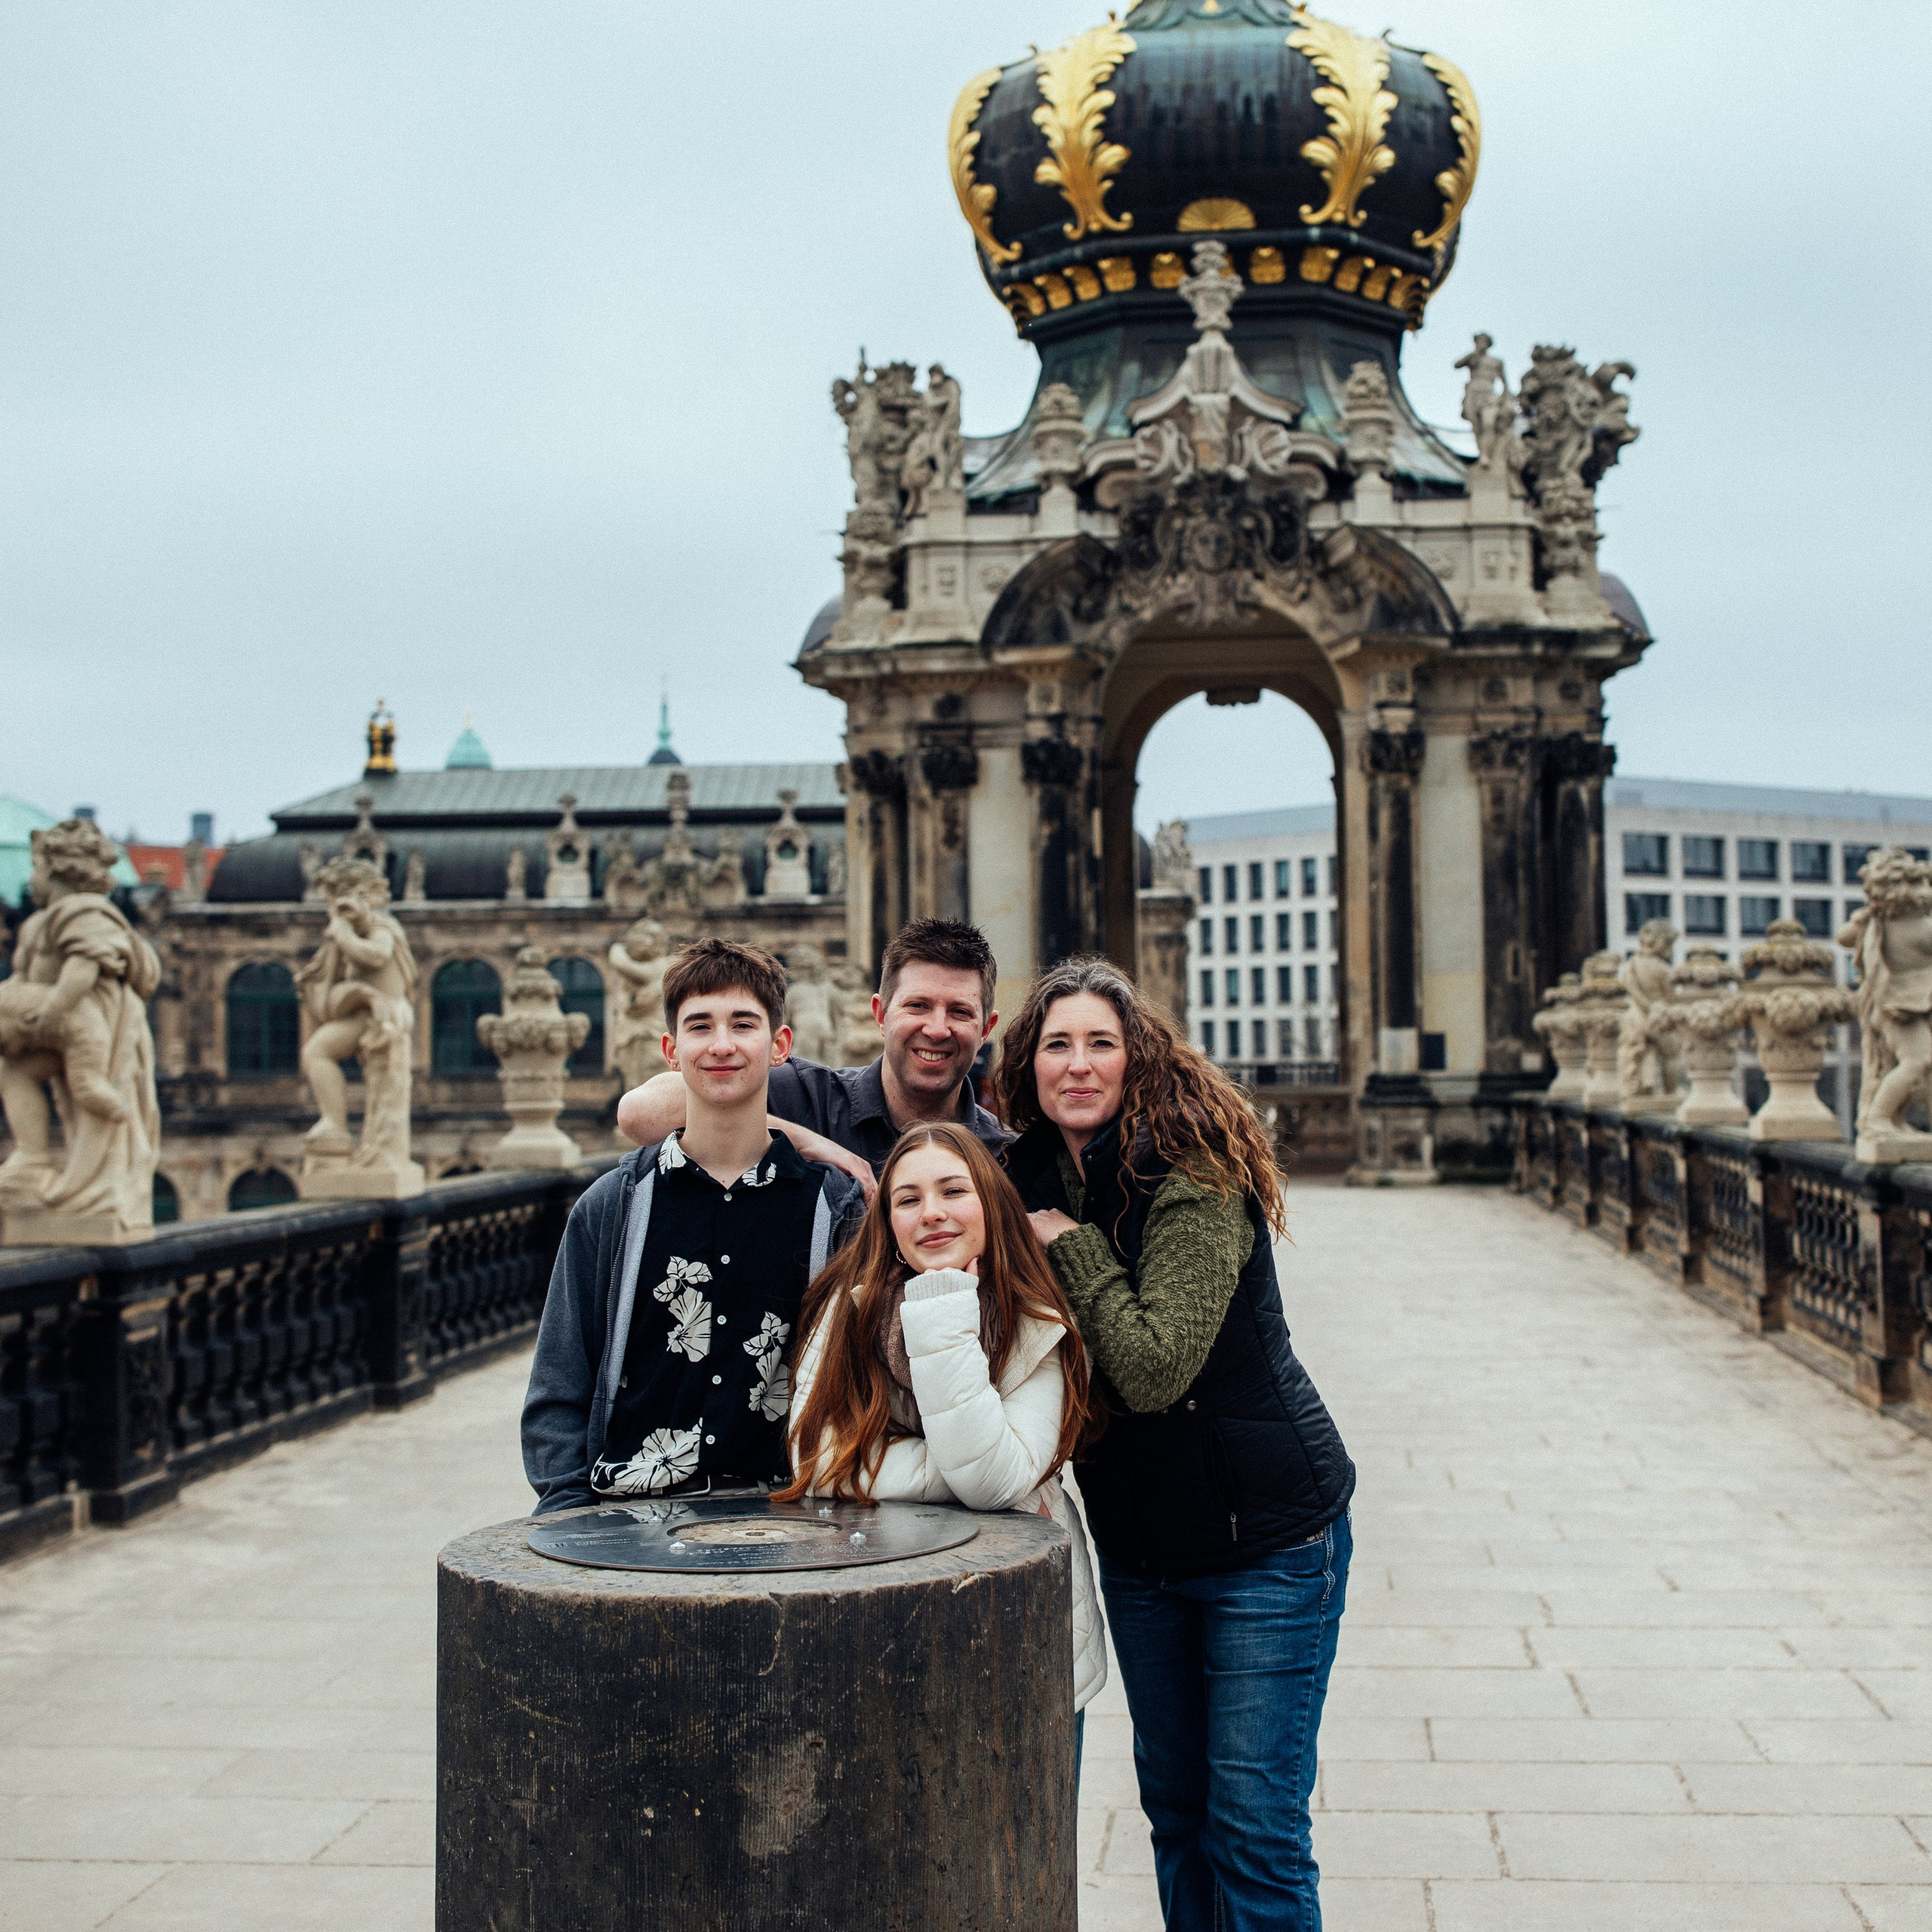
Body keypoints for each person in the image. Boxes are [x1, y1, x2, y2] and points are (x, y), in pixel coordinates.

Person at [997, 957, 1355, 1932]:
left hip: (1268, 1543)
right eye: (1056, 1045)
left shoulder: (1195, 1165)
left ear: (1138, 1057)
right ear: (1026, 1062)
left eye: (1100, 1044)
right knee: (1178, 1815)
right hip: (1144, 1549)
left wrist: (1070, 1245)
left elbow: (1156, 1368)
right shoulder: (1023, 1172)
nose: (1077, 1065)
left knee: (1254, 1830)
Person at [778, 1119, 1107, 1770]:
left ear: (990, 1202)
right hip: (882, 1634)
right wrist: (958, 1468)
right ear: (888, 1222)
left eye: (953, 1191)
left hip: (1025, 1636)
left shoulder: (1041, 1323)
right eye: (908, 1199)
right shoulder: (848, 1311)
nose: (931, 1214)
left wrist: (940, 1308)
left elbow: (991, 1479)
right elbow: (814, 1460)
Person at [521, 939, 864, 1512]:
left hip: (787, 1518)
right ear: (670, 1050)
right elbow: (559, 1385)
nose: (722, 1045)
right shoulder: (613, 1207)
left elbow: (863, 1383)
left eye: (743, 1024)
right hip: (629, 1517)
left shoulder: (835, 1210)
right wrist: (568, 1510)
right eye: (700, 1026)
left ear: (780, 1045)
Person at [616, 918, 1008, 1192]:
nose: (937, 1030)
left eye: (959, 1012)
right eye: (917, 1006)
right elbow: (640, 1113)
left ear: (986, 1029)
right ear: (880, 1015)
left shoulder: (1008, 1156)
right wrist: (808, 1140)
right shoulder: (804, 1097)